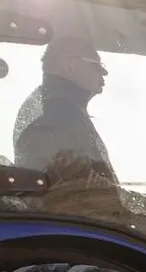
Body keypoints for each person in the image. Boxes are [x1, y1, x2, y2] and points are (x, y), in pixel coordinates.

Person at [13, 34, 115, 180]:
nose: (104, 72)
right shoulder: (62, 116)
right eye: (97, 65)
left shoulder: (51, 107)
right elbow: (88, 191)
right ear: (71, 65)